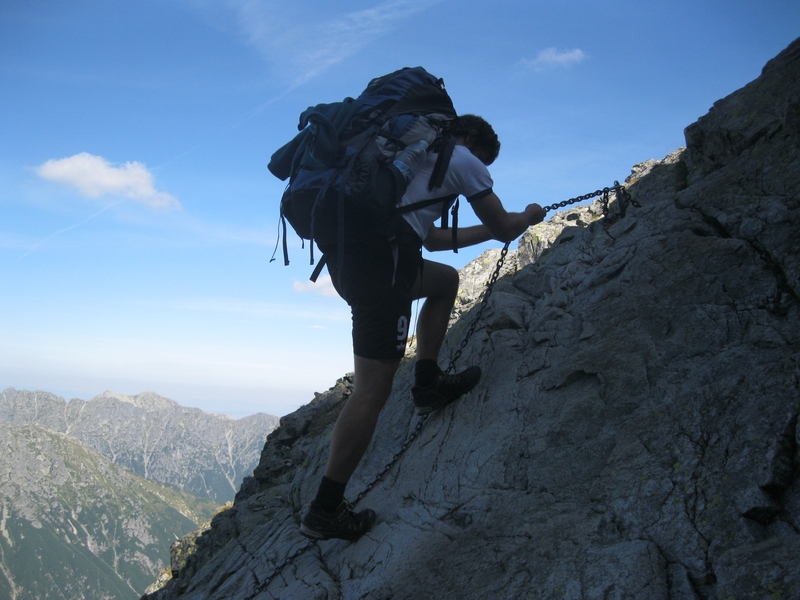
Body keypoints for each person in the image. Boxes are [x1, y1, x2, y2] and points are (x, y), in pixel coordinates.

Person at [299, 115, 546, 541]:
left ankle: (428, 382)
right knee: (371, 391)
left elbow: (431, 240)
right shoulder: (464, 158)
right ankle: (325, 509)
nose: (480, 167)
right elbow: (506, 226)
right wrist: (528, 215)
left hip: (357, 260)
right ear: (473, 141)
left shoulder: (413, 158)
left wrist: (490, 234)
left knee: (444, 281)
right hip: (384, 269)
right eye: (484, 158)